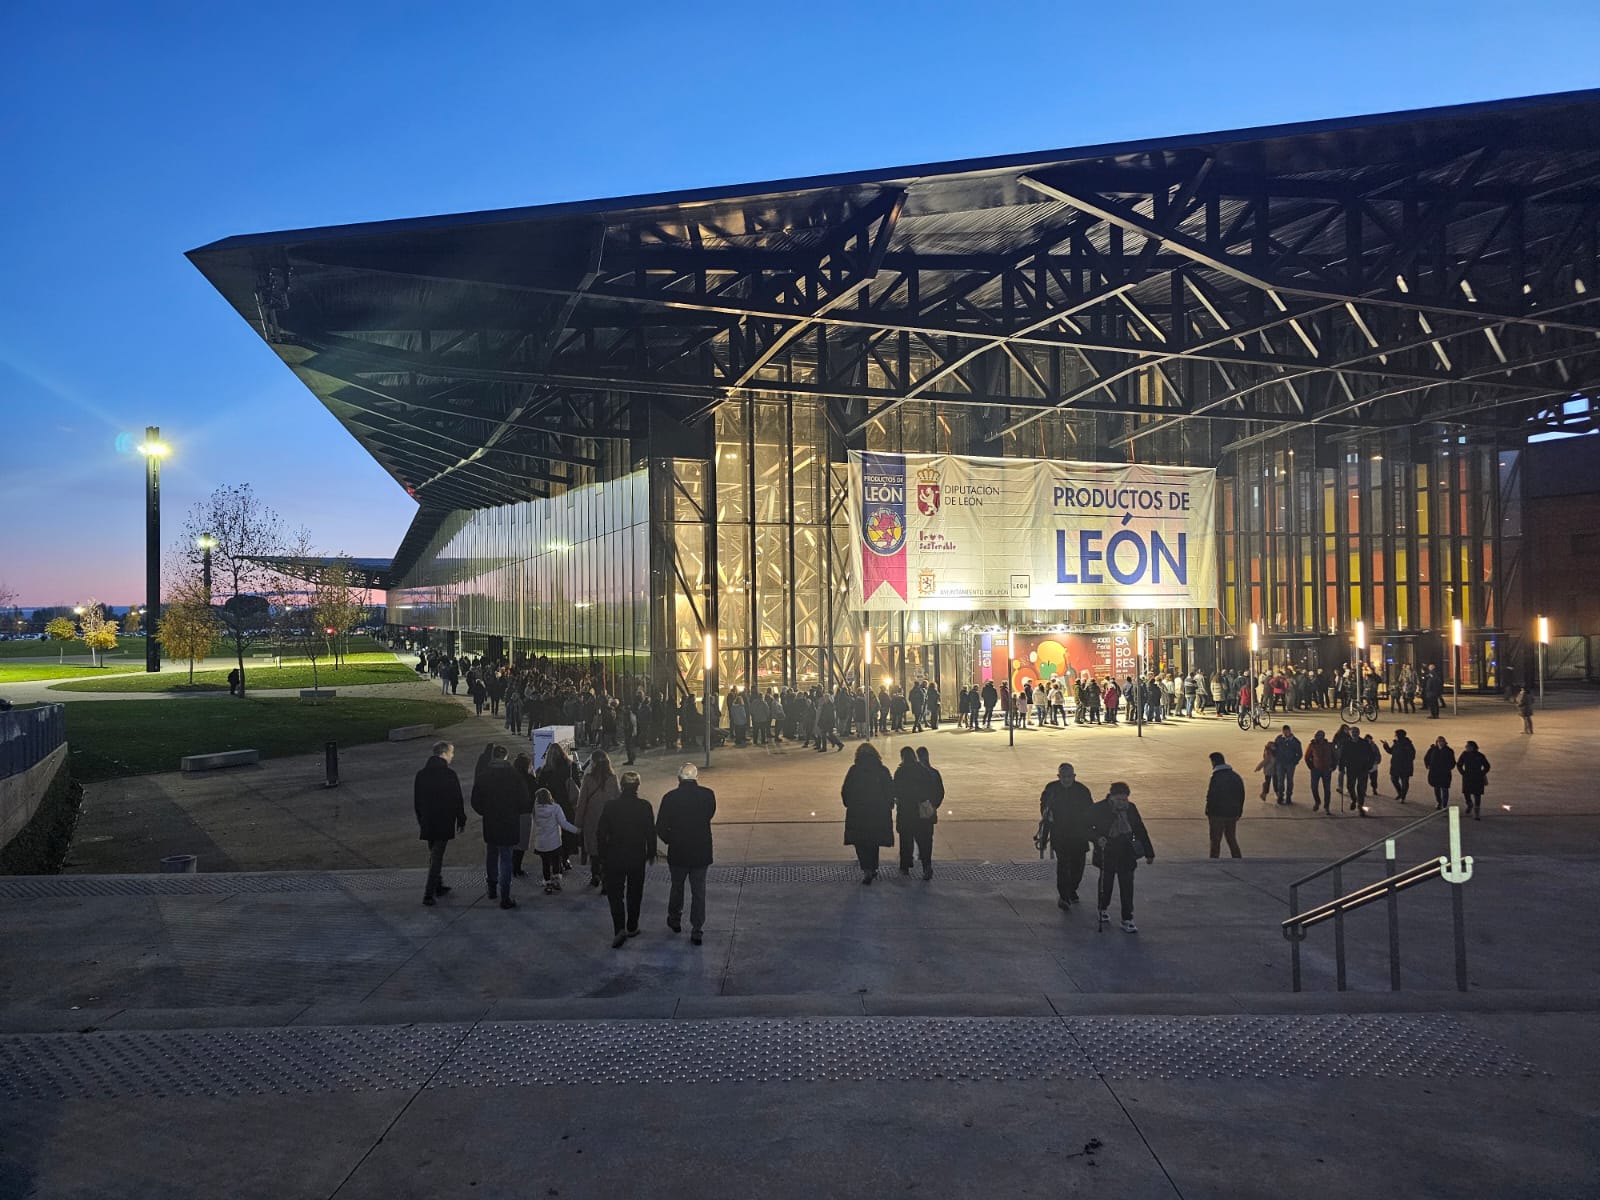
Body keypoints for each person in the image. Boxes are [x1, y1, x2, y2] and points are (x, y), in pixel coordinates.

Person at [656, 762, 716, 944]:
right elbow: (709, 814)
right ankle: (697, 928)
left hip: (679, 851)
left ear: (679, 778)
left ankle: (675, 918)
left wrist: (670, 839)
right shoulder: (708, 795)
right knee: (699, 891)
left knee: (677, 887)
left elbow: (660, 826)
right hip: (701, 851)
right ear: (696, 777)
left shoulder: (670, 798)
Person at [596, 770, 657, 948]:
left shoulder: (610, 806)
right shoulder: (645, 806)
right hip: (636, 856)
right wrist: (651, 852)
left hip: (614, 856)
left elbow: (601, 833)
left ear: (621, 786)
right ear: (638, 786)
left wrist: (602, 855)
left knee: (615, 895)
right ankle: (632, 925)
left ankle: (619, 928)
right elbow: (650, 832)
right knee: (634, 892)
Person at [1088, 782, 1155, 933]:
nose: (1122, 803)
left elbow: (1139, 830)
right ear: (1111, 797)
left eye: (1125, 800)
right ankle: (1102, 908)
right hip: (1107, 851)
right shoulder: (1098, 809)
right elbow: (1085, 827)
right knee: (1106, 884)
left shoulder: (1131, 809)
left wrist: (1149, 852)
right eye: (1119, 800)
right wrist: (1097, 838)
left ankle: (1127, 918)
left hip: (1127, 852)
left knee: (1127, 887)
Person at [470, 744, 526, 909]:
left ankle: (492, 887)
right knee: (506, 858)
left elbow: (475, 800)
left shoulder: (484, 776)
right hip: (509, 822)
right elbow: (524, 799)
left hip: (491, 822)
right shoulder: (515, 776)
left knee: (492, 855)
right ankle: (505, 895)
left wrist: (486, 812)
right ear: (506, 757)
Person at [413, 739, 466, 906]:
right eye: (451, 753)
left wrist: (421, 819)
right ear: (443, 753)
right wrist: (461, 818)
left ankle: (438, 884)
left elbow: (417, 801)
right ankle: (429, 892)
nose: (452, 756)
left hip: (428, 820)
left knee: (434, 853)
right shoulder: (449, 775)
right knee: (437, 857)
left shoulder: (421, 775)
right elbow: (457, 799)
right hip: (443, 820)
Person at [1039, 762, 1095, 909]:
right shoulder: (1051, 789)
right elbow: (1044, 806)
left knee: (1078, 867)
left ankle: (1071, 890)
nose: (1066, 779)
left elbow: (1091, 812)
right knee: (1063, 865)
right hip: (1060, 834)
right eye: (1063, 776)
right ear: (1058, 776)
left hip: (1079, 835)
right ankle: (1064, 896)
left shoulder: (1082, 790)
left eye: (1069, 776)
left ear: (1074, 776)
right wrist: (1046, 814)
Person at [841, 741, 895, 884]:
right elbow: (890, 789)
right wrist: (889, 805)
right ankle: (873, 867)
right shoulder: (882, 770)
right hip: (877, 811)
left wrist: (848, 804)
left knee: (860, 841)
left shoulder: (854, 770)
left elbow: (846, 789)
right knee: (873, 841)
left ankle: (866, 869)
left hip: (858, 811)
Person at [892, 746, 941, 879]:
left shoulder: (900, 772)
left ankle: (905, 866)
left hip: (906, 811)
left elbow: (895, 790)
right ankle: (926, 866)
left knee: (906, 840)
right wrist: (932, 805)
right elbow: (935, 790)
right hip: (922, 812)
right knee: (924, 841)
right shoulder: (925, 771)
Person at [574, 749, 621, 889]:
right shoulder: (613, 778)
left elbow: (581, 802)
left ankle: (595, 876)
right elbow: (618, 798)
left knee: (594, 850)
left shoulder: (588, 779)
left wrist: (578, 823)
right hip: (609, 821)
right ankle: (606, 880)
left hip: (592, 820)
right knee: (606, 851)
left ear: (593, 763)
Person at [532, 786, 581, 893]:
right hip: (554, 843)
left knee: (545, 863)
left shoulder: (536, 809)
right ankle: (556, 881)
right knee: (556, 862)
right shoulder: (556, 808)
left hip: (541, 844)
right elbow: (563, 824)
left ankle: (547, 883)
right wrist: (576, 830)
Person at [1204, 751, 1245, 857]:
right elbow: (1241, 795)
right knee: (1231, 838)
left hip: (1217, 814)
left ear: (1214, 762)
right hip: (1232, 813)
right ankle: (1238, 860)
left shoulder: (1216, 777)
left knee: (1215, 841)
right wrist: (1239, 811)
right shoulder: (1236, 776)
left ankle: (1214, 862)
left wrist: (1208, 811)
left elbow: (1211, 796)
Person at [511, 752, 537, 875]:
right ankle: (517, 867)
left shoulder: (510, 778)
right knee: (522, 843)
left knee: (512, 842)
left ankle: (511, 867)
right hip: (525, 813)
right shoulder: (530, 779)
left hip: (511, 813)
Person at [1457, 740, 1492, 820]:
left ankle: (1477, 812)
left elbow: (1487, 766)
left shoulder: (1480, 756)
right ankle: (1469, 804)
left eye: (1467, 746)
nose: (1466, 748)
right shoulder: (1464, 755)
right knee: (1466, 792)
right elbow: (1459, 764)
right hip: (1468, 776)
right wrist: (1463, 773)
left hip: (1477, 777)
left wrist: (1482, 773)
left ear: (1472, 747)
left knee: (1477, 795)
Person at [1304, 730, 1336, 814]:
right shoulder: (1312, 745)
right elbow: (1307, 757)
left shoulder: (1329, 745)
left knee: (1327, 789)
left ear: (1323, 737)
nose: (1318, 737)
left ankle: (1326, 806)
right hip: (1316, 770)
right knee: (1314, 787)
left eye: (1320, 736)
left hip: (1326, 770)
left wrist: (1333, 766)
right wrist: (1311, 767)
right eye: (1317, 736)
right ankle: (1317, 801)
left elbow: (1334, 756)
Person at [1382, 729, 1416, 803]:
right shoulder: (1396, 743)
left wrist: (1404, 761)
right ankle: (1400, 793)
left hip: (1405, 767)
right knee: (1394, 779)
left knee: (1404, 782)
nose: (1395, 736)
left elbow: (1412, 756)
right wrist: (1385, 745)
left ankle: (1403, 796)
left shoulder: (1408, 745)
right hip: (1395, 766)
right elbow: (1391, 751)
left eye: (1396, 735)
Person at [1271, 725, 1302, 805]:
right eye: (1284, 731)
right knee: (1280, 781)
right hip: (1280, 763)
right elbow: (1274, 749)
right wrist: (1276, 756)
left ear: (1290, 731)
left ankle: (1289, 797)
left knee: (1289, 780)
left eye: (1287, 731)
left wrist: (1294, 762)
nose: (1286, 733)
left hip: (1290, 764)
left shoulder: (1295, 741)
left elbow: (1299, 753)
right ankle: (1280, 796)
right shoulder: (1279, 739)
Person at [1424, 735, 1457, 811]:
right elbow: (1426, 758)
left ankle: (1444, 805)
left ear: (1445, 742)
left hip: (1445, 773)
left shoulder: (1449, 751)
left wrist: (1448, 768)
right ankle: (1439, 802)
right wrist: (1428, 765)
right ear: (1437, 742)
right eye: (1439, 741)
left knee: (1445, 789)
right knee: (1437, 789)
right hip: (1435, 773)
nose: (1441, 743)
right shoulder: (1432, 749)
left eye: (1442, 741)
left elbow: (1452, 762)